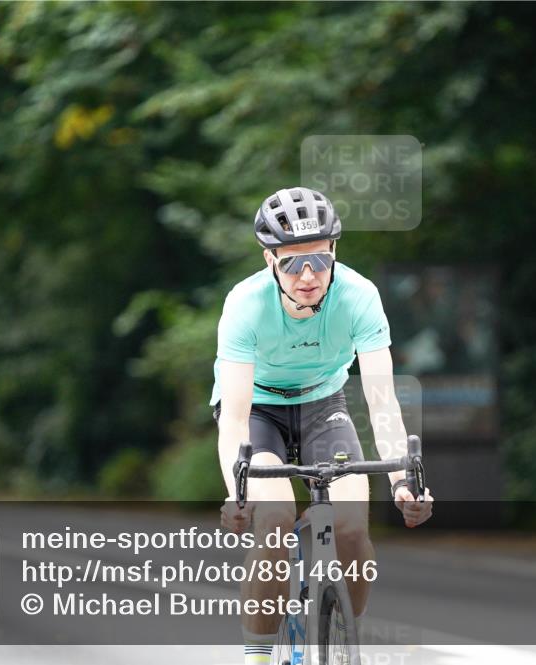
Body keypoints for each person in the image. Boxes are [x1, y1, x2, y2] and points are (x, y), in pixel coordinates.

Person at [212, 186, 434, 665]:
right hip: (259, 411)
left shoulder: (359, 297)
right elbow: (233, 417)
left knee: (353, 529)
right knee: (273, 520)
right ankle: (258, 655)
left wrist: (402, 481)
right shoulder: (244, 305)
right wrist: (238, 490)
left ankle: (342, 644)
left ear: (334, 250)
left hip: (323, 406)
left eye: (318, 259)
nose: (308, 275)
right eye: (292, 263)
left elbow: (381, 401)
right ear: (269, 258)